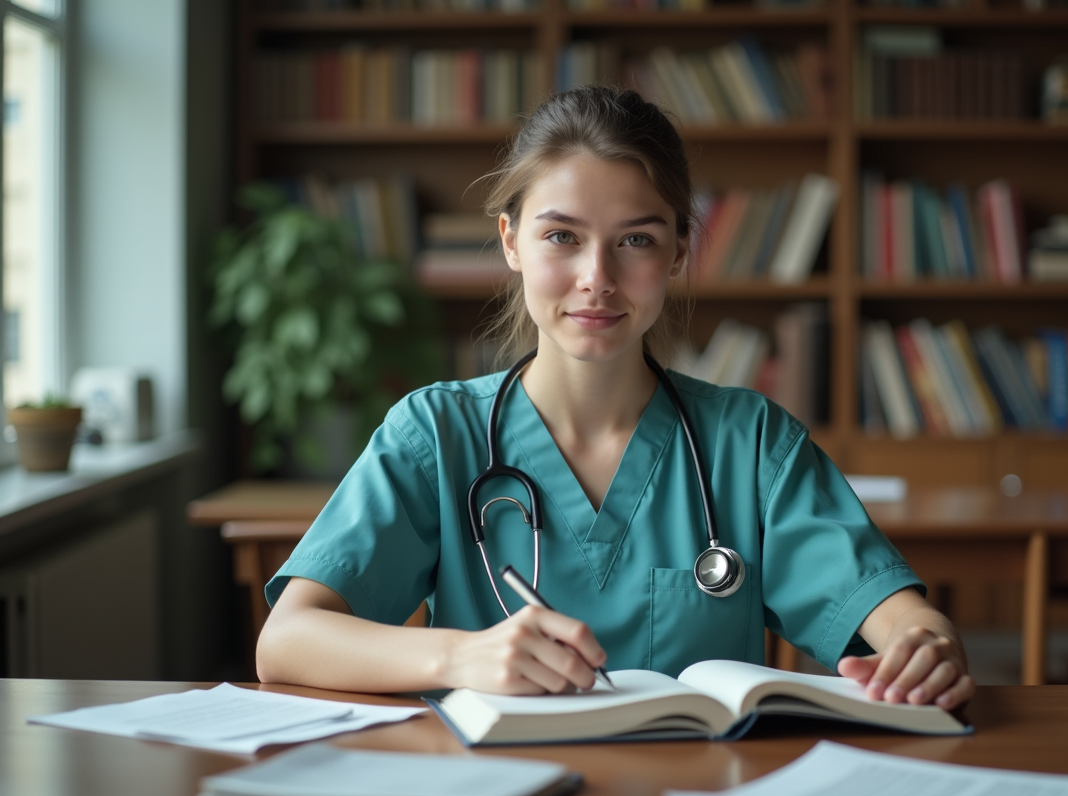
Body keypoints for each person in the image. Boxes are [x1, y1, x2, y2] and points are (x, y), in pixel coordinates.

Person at [257, 86, 975, 711]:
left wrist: (927, 645)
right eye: (562, 236)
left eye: (635, 240)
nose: (596, 277)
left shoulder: (750, 443)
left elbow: (899, 618)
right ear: (511, 241)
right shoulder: (434, 434)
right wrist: (458, 659)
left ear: (679, 252)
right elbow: (287, 640)